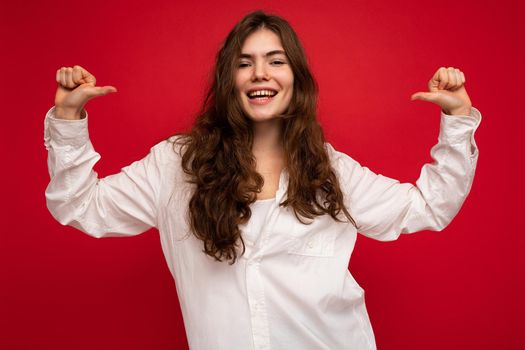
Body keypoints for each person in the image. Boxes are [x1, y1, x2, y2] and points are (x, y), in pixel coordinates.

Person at [44, 10, 481, 350]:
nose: (260, 74)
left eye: (276, 61)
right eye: (244, 63)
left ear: (296, 79)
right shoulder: (176, 166)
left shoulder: (332, 174)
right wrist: (68, 117)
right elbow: (81, 205)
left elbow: (429, 206)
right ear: (228, 79)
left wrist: (457, 118)